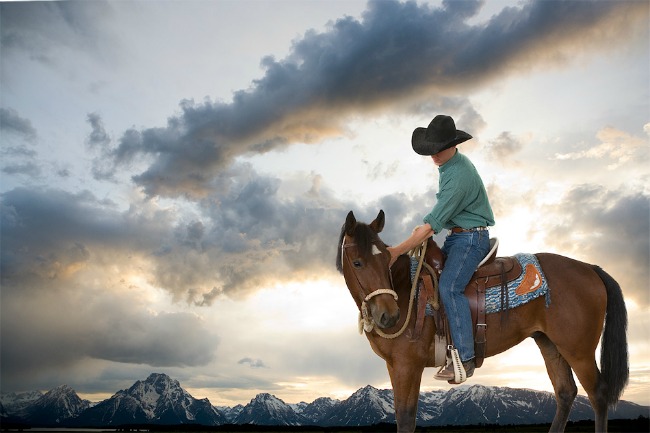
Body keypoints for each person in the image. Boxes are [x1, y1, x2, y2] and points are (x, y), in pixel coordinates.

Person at [387, 114, 495, 381]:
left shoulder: (458, 176)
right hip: (458, 236)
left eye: (437, 149)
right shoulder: (449, 166)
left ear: (452, 145)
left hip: (470, 240)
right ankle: (435, 344)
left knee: (449, 287)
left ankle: (465, 358)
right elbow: (438, 217)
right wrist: (422, 228)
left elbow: (433, 224)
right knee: (427, 277)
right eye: (430, 150)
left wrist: (396, 251)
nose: (433, 155)